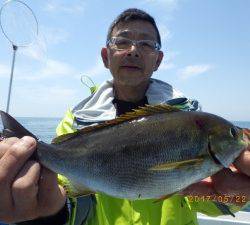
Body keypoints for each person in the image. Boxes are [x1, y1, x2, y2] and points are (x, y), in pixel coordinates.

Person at [0, 8, 250, 225]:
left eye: (146, 44)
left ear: (158, 60)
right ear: (105, 56)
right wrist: (49, 212)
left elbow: (201, 198)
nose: (133, 50)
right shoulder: (75, 122)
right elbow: (72, 200)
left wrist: (238, 197)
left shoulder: (189, 119)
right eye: (122, 42)